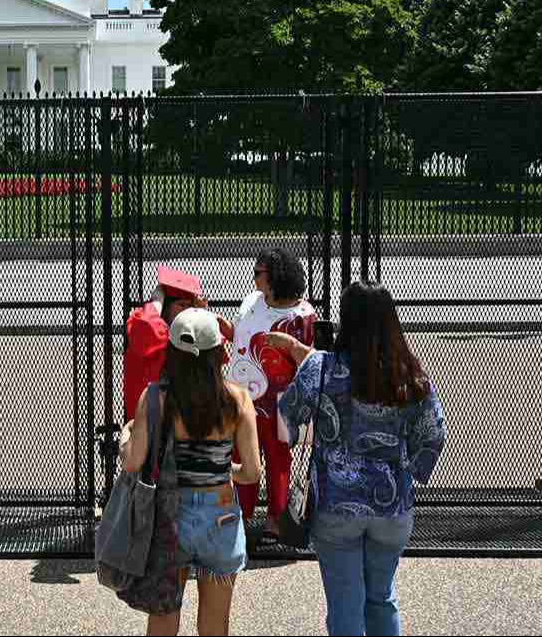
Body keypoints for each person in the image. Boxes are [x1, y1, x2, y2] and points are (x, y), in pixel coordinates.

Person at [272, 282, 447, 637]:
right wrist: (407, 467)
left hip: (336, 505)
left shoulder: (320, 368)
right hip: (393, 506)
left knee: (345, 603)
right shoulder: (410, 375)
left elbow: (283, 423)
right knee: (381, 598)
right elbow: (433, 435)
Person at [120, 308, 261, 637]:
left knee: (164, 614)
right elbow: (252, 472)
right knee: (215, 625)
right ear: (217, 352)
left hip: (171, 517)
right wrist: (222, 470)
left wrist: (126, 436)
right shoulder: (237, 399)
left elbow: (133, 461)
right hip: (222, 516)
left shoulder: (156, 397)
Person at [227, 248, 318, 542]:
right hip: (243, 397)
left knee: (278, 458)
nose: (254, 276)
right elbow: (242, 338)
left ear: (275, 278)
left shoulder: (302, 316)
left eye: (259, 272)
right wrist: (226, 330)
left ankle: (276, 519)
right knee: (241, 454)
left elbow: (309, 360)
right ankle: (242, 513)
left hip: (280, 401)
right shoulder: (252, 302)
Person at [123, 265, 233, 424]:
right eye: (181, 305)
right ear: (166, 307)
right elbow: (148, 327)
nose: (186, 311)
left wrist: (200, 314)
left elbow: (217, 350)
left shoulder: (190, 333)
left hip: (185, 422)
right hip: (147, 422)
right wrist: (156, 302)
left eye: (190, 306)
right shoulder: (152, 331)